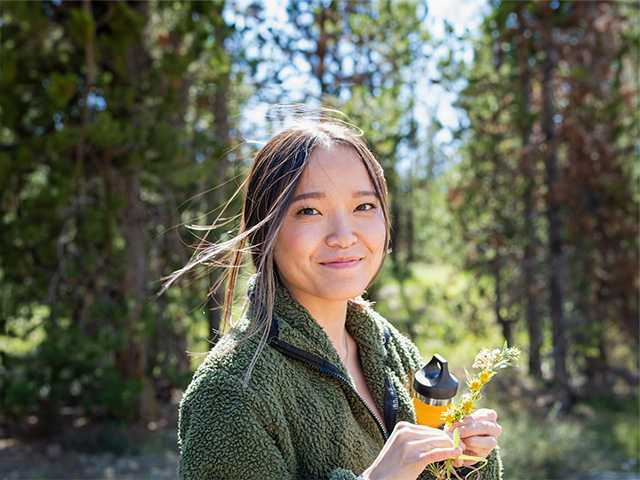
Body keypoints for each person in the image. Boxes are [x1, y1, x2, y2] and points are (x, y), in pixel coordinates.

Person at [164, 117, 503, 480]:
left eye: (364, 207)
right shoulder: (231, 391)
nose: (344, 236)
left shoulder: (387, 346)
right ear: (266, 232)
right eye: (309, 211)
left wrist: (465, 461)